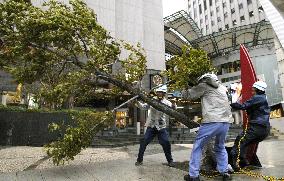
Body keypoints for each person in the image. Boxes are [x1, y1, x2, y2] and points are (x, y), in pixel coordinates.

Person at [182, 73, 233, 181]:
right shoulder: (222, 87)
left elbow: (187, 96)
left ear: (204, 80)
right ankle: (224, 172)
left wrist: (185, 86)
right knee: (220, 146)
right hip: (226, 121)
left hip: (212, 121)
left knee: (198, 146)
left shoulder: (203, 86)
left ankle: (193, 175)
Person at [230, 81, 270, 171]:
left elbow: (242, 106)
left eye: (253, 87)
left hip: (257, 127)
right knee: (245, 142)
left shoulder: (257, 98)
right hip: (264, 129)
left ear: (256, 89)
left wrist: (232, 100)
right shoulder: (263, 98)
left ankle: (235, 165)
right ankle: (244, 161)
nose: (251, 89)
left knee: (240, 140)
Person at [135, 85, 176, 167]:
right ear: (156, 93)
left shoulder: (167, 103)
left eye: (161, 92)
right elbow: (144, 107)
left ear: (164, 93)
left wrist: (174, 104)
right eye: (158, 92)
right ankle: (139, 160)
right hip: (152, 126)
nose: (159, 94)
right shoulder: (152, 100)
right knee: (143, 142)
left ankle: (170, 161)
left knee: (166, 142)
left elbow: (174, 110)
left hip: (161, 127)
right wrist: (136, 102)